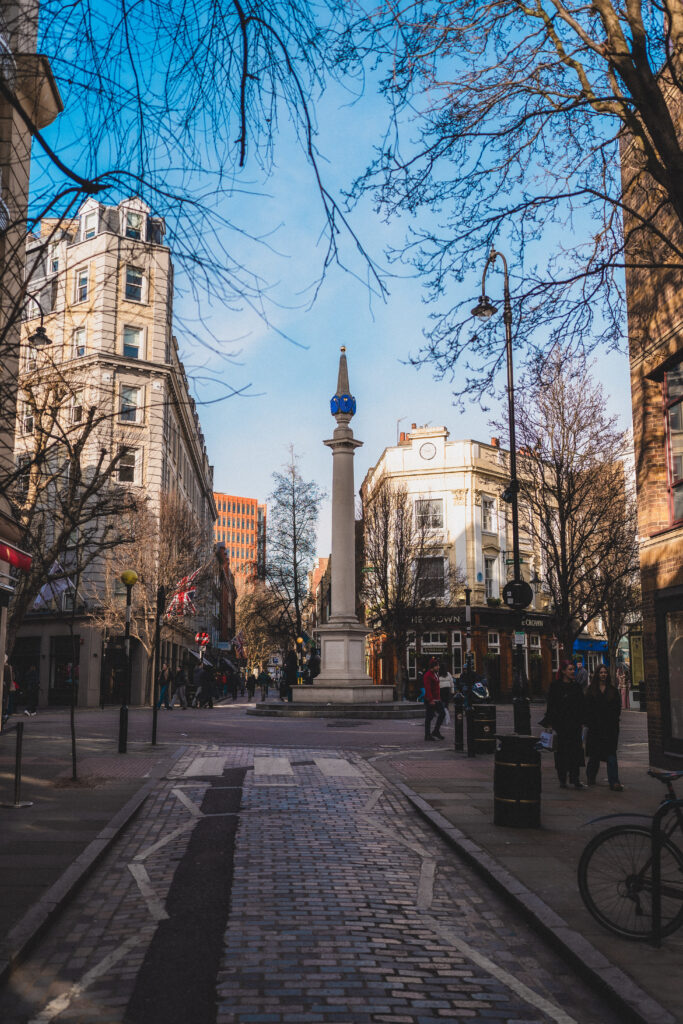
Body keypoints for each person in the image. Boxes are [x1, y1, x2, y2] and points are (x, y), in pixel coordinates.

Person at [543, 660, 586, 789]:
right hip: (560, 725)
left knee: (575, 751)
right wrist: (550, 723)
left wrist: (582, 721)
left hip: (574, 724)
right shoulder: (555, 686)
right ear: (563, 671)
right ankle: (562, 778)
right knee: (561, 752)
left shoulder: (576, 687)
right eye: (570, 669)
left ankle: (575, 778)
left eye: (573, 669)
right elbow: (551, 706)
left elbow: (581, 706)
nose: (573, 672)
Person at [584, 664, 624, 791]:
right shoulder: (591, 690)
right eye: (601, 672)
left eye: (605, 672)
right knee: (594, 755)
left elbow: (617, 709)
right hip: (595, 728)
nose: (603, 675)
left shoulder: (613, 691)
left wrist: (613, 721)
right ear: (597, 674)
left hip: (610, 728)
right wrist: (589, 722)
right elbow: (587, 709)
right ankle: (591, 776)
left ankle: (614, 781)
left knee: (611, 754)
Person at [423, 657, 445, 741]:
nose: (438, 667)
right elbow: (427, 688)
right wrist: (431, 700)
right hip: (431, 699)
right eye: (437, 666)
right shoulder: (427, 675)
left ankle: (436, 731)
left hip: (437, 699)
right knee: (429, 717)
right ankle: (427, 735)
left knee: (442, 714)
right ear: (433, 667)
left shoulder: (436, 674)